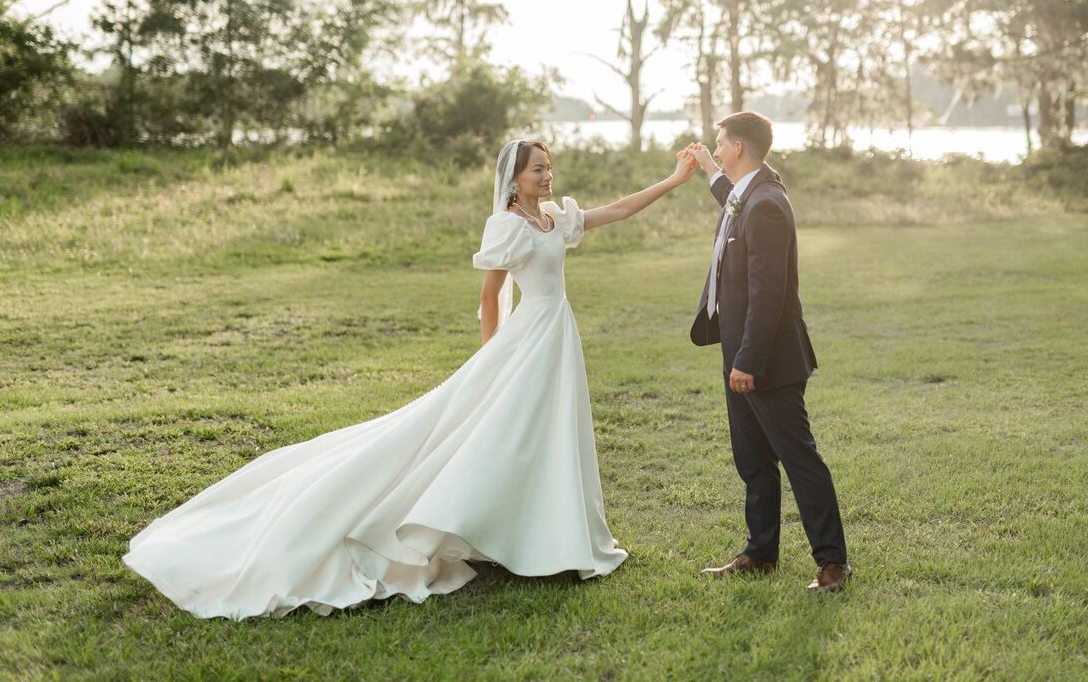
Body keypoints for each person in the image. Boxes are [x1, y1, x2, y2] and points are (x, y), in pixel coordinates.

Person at [123, 139, 697, 619]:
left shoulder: (554, 218)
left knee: (547, 438)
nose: (548, 176)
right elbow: (490, 295)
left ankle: (550, 538)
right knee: (496, 436)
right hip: (524, 342)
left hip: (556, 337)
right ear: (515, 178)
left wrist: (675, 179)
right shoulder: (507, 227)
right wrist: (490, 359)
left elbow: (619, 209)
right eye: (538, 168)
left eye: (549, 167)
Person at [685, 112, 852, 592]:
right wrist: (705, 169)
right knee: (753, 460)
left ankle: (833, 563)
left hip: (765, 361)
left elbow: (768, 293)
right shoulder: (747, 194)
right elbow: (730, 198)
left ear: (738, 147)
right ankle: (761, 553)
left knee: (799, 459)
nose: (716, 149)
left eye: (718, 144)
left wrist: (748, 362)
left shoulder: (768, 205)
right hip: (738, 353)